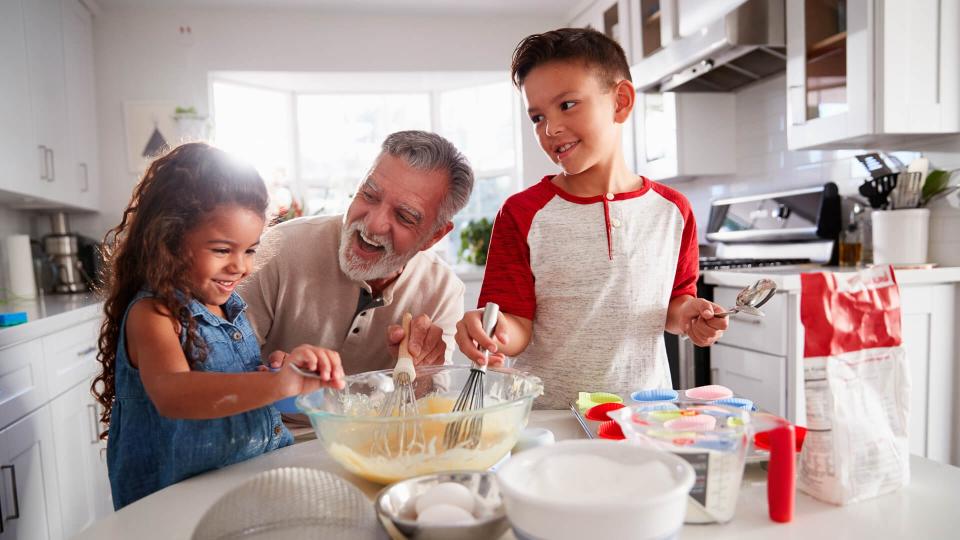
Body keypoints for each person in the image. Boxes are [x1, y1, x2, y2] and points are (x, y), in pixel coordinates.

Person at [455, 28, 728, 408]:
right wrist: (496, 331)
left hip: (643, 413)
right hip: (549, 418)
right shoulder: (522, 213)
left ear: (620, 101)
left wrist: (690, 316)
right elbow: (516, 323)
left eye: (567, 105)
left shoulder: (673, 211)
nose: (550, 129)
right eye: (537, 117)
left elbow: (673, 302)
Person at [92, 143, 346, 509]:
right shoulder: (154, 315)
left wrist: (276, 371)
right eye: (223, 250)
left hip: (245, 487)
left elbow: (231, 381)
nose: (240, 266)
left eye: (250, 250)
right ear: (169, 242)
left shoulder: (230, 307)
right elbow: (174, 393)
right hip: (175, 507)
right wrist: (275, 383)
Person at [241, 130, 474, 379]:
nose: (373, 224)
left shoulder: (443, 291)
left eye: (404, 217)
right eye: (369, 195)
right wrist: (273, 382)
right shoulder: (279, 247)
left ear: (434, 236)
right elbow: (218, 368)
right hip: (274, 417)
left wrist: (421, 377)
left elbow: (429, 408)